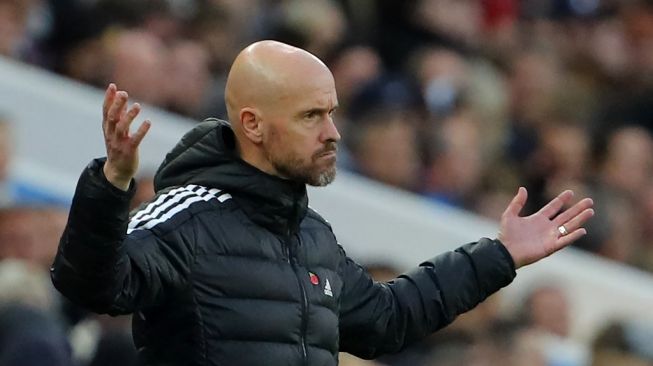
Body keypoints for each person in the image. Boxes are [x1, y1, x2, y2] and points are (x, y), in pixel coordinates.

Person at [51, 40, 594, 366]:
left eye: (331, 112)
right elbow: (92, 285)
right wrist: (113, 183)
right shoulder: (186, 215)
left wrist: (499, 254)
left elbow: (387, 319)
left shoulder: (311, 236)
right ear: (253, 125)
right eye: (312, 116)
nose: (333, 132)